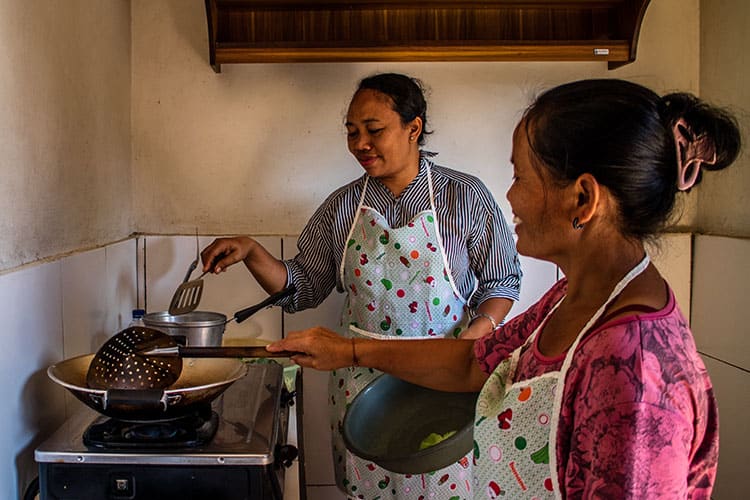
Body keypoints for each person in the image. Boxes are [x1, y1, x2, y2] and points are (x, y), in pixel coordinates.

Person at [267, 78, 742, 499]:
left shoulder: (633, 367)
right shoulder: (573, 300)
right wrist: (350, 351)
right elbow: (476, 363)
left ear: (583, 198)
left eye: (520, 177)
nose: (510, 196)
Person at [200, 72, 522, 499]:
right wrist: (253, 252)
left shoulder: (464, 196)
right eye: (352, 133)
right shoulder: (343, 206)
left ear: (414, 127)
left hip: (441, 378)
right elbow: (303, 288)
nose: (359, 144)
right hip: (362, 387)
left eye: (373, 130)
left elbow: (503, 279)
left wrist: (479, 331)